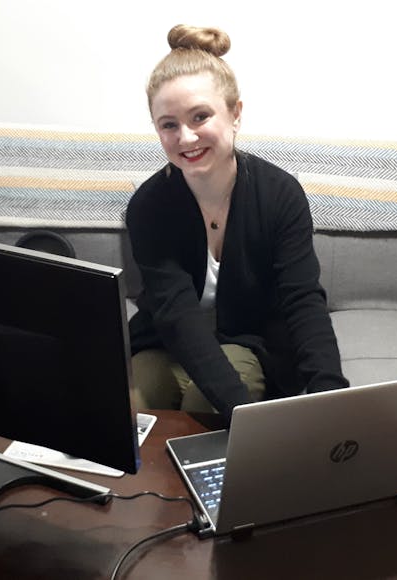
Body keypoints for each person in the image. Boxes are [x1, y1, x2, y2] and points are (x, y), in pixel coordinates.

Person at [127, 24, 348, 425]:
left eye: (200, 116)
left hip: (246, 341)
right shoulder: (148, 205)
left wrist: (329, 395)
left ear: (235, 114)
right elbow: (175, 315)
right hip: (166, 343)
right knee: (136, 393)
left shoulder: (280, 194)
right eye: (169, 124)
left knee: (210, 403)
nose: (187, 137)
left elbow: (303, 300)